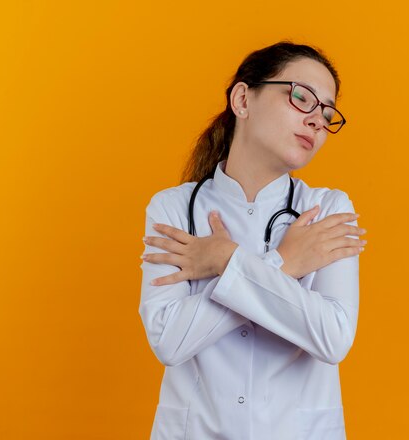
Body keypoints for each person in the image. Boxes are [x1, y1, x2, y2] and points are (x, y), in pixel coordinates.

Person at [139, 41, 368, 440]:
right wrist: (284, 263)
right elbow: (170, 341)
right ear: (243, 99)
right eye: (302, 97)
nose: (317, 120)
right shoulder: (173, 208)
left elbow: (332, 338)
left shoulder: (327, 208)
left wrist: (226, 260)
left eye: (327, 112)